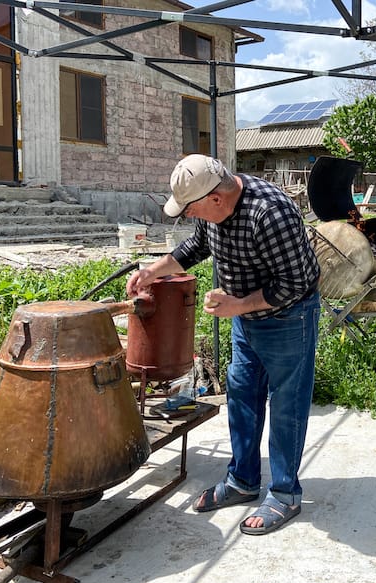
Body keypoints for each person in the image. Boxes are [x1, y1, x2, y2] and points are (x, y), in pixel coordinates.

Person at [126, 154, 320, 535]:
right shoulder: (213, 213)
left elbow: (295, 285)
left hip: (288, 318)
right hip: (246, 318)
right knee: (242, 396)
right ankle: (243, 481)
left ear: (216, 198)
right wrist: (152, 271)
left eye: (192, 208)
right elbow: (196, 247)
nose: (190, 216)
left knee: (286, 405)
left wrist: (237, 305)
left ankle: (283, 494)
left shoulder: (270, 213)